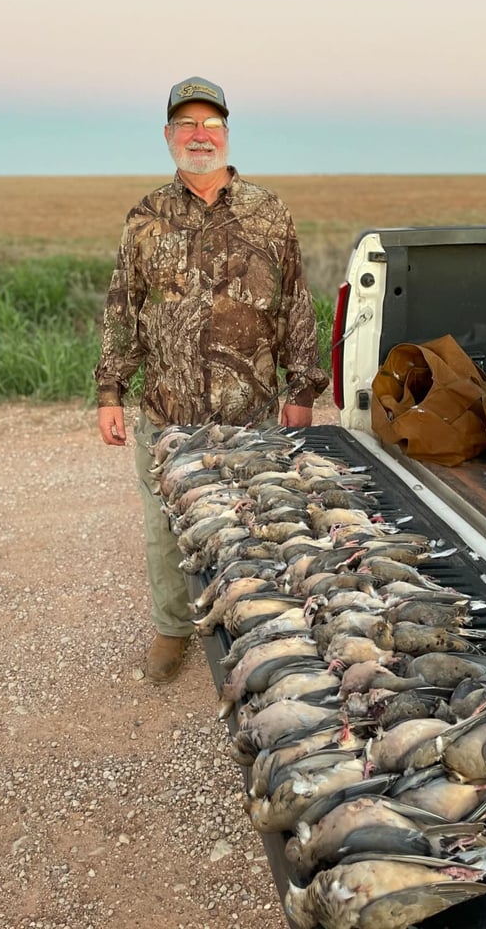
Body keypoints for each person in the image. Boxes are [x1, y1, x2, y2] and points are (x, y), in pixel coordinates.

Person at [94, 75, 329, 685]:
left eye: (212, 124)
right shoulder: (146, 217)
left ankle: (255, 630)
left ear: (226, 132)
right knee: (163, 529)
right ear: (169, 135)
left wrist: (301, 388)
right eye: (188, 125)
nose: (201, 136)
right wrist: (110, 391)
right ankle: (172, 631)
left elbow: (294, 303)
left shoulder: (267, 211)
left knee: (252, 523)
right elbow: (124, 308)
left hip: (246, 411)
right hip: (168, 410)